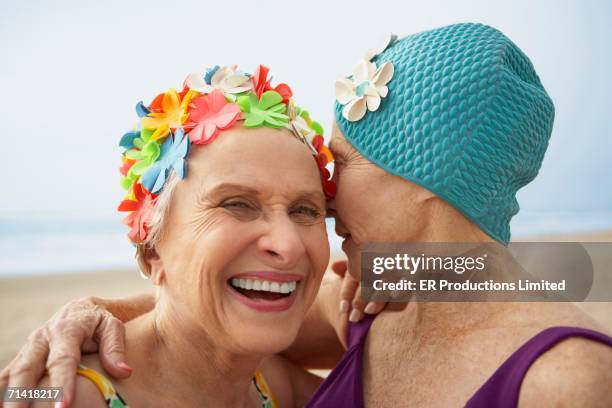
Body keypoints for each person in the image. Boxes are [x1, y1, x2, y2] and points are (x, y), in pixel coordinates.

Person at [3, 23, 612, 407]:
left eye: (339, 167)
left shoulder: (570, 379)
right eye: (238, 202)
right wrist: (87, 311)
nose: (325, 198)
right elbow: (203, 323)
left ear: (424, 182)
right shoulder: (378, 297)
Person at [0, 64, 373, 407]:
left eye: (305, 210)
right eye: (237, 204)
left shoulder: (271, 383)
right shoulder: (63, 393)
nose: (287, 244)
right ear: (151, 251)